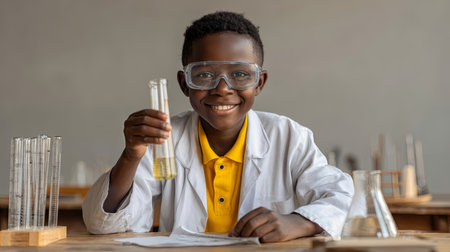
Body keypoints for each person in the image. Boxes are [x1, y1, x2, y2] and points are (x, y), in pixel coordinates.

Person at [82, 11, 353, 242]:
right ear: (184, 83)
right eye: (204, 75)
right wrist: (131, 154)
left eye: (240, 74)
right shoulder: (164, 139)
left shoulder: (289, 137)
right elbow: (103, 224)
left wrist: (299, 222)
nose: (222, 89)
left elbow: (341, 196)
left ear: (259, 82)